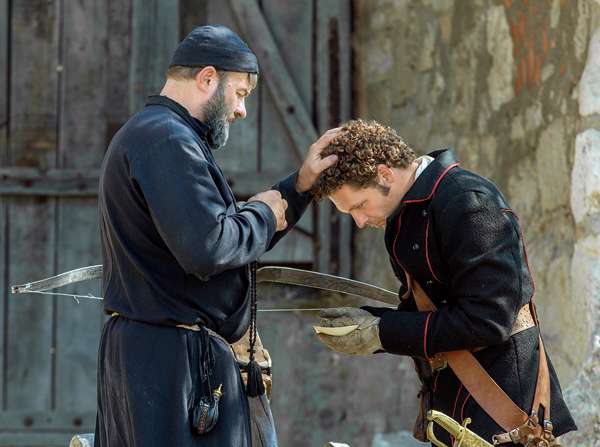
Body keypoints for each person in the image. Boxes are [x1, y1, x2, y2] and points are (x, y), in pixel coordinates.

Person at [95, 25, 338, 447]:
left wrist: (298, 188)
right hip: (171, 367)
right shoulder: (167, 139)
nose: (241, 110)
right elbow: (209, 247)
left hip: (160, 357)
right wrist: (263, 212)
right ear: (208, 78)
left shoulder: (157, 134)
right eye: (240, 93)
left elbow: (223, 239)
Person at [312, 119, 576, 445]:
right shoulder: (402, 219)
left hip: (507, 409)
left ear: (385, 174)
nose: (360, 221)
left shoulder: (469, 200)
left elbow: (489, 320)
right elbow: (428, 314)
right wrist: (369, 322)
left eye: (360, 205)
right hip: (455, 406)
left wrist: (381, 332)